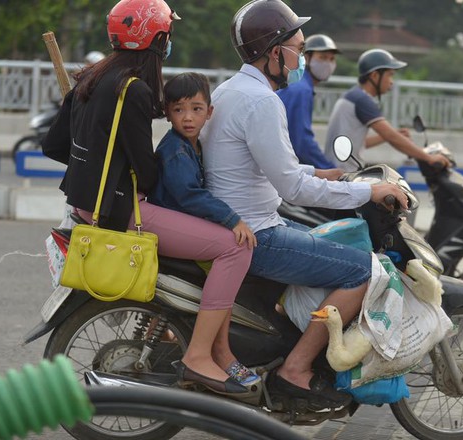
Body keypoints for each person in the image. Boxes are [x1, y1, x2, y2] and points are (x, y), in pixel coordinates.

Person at [200, 0, 409, 411]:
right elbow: (294, 189)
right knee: (360, 270)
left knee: (329, 249)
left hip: (246, 223)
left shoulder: (231, 89)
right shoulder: (262, 101)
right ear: (273, 51)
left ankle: (284, 347)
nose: (302, 58)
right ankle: (295, 369)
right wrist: (368, 192)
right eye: (297, 47)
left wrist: (323, 172)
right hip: (258, 234)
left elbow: (272, 166)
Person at [42, 0, 251, 396]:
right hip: (120, 210)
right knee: (232, 247)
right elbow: (148, 169)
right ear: (157, 39)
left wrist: (95, 159)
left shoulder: (91, 77)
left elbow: (53, 146)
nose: (168, 42)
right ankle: (201, 355)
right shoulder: (132, 89)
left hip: (86, 205)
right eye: (167, 35)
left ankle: (198, 340)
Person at [147, 72, 260, 388]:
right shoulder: (175, 149)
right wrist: (232, 219)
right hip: (172, 227)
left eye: (196, 109)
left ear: (210, 112)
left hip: (182, 225)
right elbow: (188, 195)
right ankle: (219, 351)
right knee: (234, 252)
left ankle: (204, 345)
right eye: (179, 109)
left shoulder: (191, 146)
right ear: (167, 112)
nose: (187, 117)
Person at [324, 48, 451, 171]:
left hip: (338, 170)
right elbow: (391, 136)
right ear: (374, 75)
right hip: (344, 174)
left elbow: (360, 143)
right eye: (390, 75)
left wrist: (387, 137)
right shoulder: (362, 100)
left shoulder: (353, 95)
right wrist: (429, 158)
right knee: (395, 191)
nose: (392, 82)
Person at [276, 34, 339, 169]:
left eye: (331, 59)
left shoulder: (299, 84)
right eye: (322, 57)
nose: (327, 63)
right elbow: (302, 142)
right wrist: (329, 168)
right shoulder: (301, 89)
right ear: (307, 58)